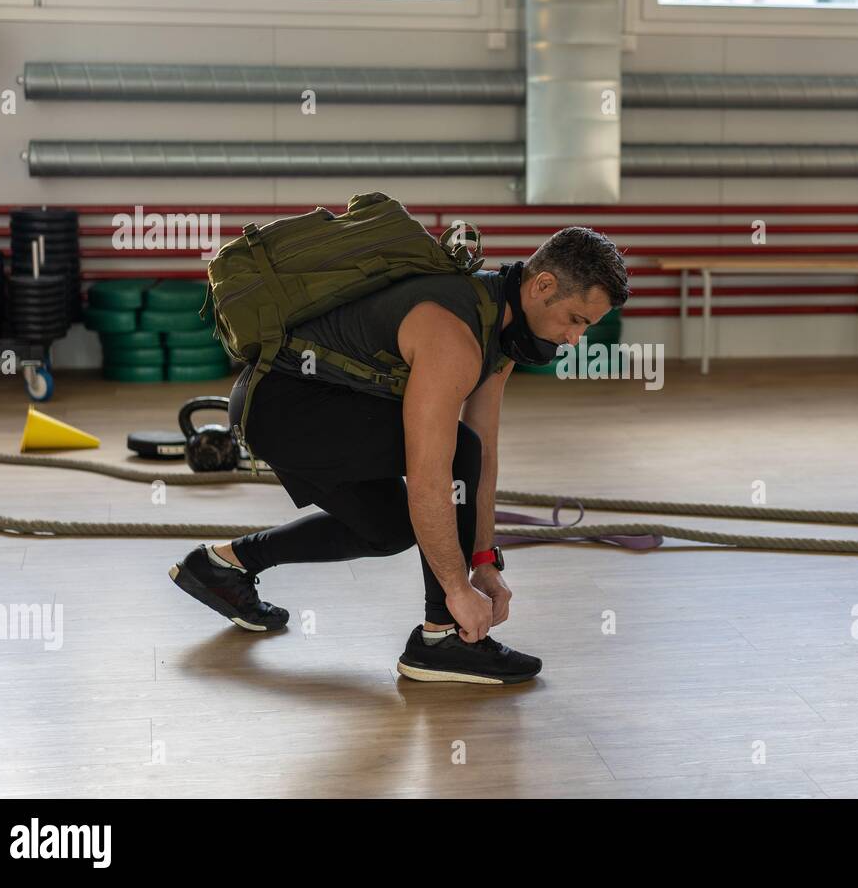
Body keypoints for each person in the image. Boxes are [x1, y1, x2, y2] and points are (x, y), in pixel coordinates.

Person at [167, 225, 629, 685]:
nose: (574, 339)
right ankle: (441, 638)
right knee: (453, 451)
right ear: (543, 285)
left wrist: (485, 560)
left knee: (386, 530)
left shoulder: (500, 330)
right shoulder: (454, 332)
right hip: (282, 405)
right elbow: (433, 474)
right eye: (576, 319)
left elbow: (482, 457)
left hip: (307, 401)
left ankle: (222, 567)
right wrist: (456, 591)